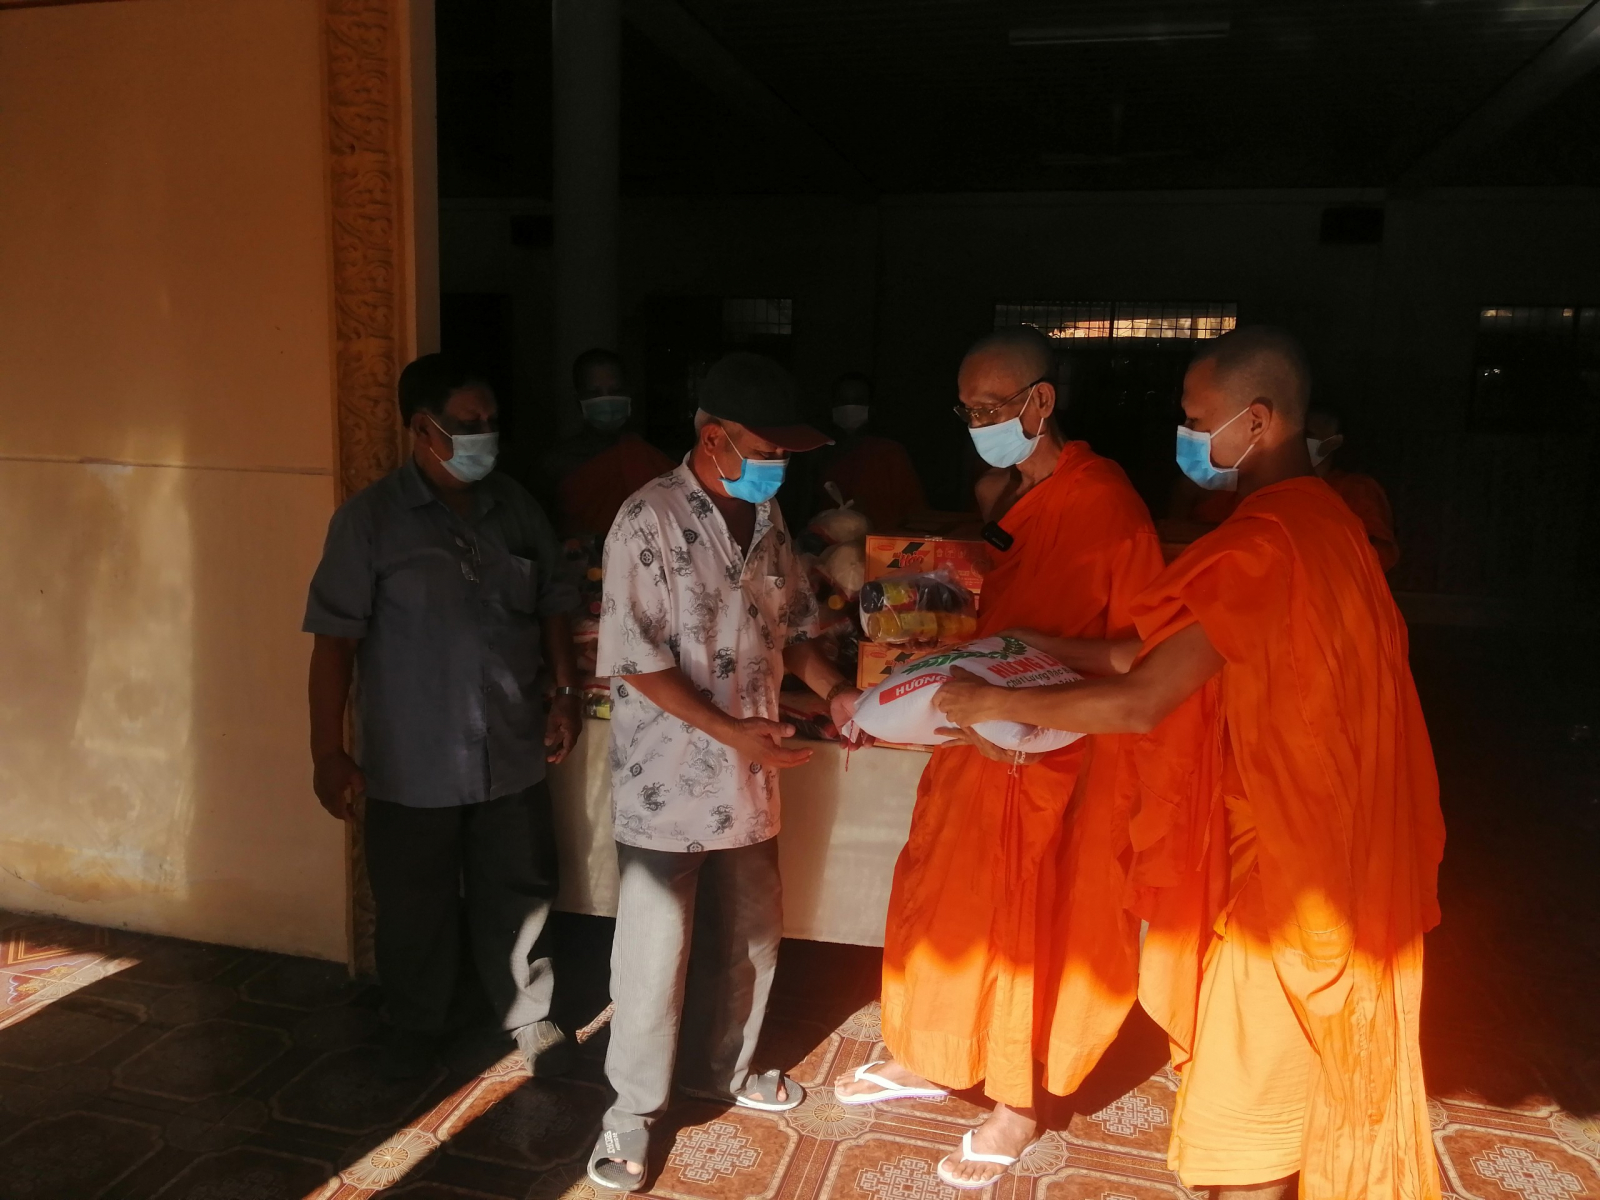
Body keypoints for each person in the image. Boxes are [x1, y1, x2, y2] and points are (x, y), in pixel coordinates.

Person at [935, 327, 1445, 1200]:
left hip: (1291, 875)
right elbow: (1159, 654)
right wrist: (1034, 648)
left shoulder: (1266, 542)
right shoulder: (1327, 527)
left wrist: (992, 701)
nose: (1187, 439)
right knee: (1292, 1085)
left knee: (1247, 1125)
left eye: (1195, 419)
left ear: (1258, 420)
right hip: (1347, 839)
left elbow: (1143, 700)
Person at [833, 326, 1165, 1189]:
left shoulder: (1106, 508)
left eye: (992, 407)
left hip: (1061, 760)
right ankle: (928, 1054)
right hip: (979, 741)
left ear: (1040, 402)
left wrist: (1026, 648)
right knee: (944, 897)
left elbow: (1143, 655)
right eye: (968, 408)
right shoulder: (1012, 493)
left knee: (1035, 928)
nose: (978, 421)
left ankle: (1018, 1103)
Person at [588, 352, 864, 1191]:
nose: (780, 465)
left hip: (750, 779)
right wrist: (726, 731)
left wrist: (837, 691)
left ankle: (728, 1071)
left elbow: (799, 631)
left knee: (749, 939)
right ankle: (630, 1119)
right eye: (767, 448)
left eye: (788, 452)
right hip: (668, 779)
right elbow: (635, 660)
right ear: (715, 439)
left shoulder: (770, 518)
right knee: (654, 956)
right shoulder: (646, 523)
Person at [303, 353, 583, 1080]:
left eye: (490, 422)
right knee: (412, 902)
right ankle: (416, 1020)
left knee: (519, 892)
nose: (484, 436)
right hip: (410, 758)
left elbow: (554, 599)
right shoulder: (368, 523)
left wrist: (563, 693)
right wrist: (326, 752)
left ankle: (529, 1015)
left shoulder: (514, 506)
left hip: (512, 746)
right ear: (422, 429)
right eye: (468, 425)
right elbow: (333, 642)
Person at [1168, 404, 1399, 572]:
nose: (1298, 443)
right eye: (1296, 434)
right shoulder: (1240, 483)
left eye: (1308, 436)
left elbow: (1374, 559)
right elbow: (1173, 538)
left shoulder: (1355, 490)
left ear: (1334, 442)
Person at [539, 348, 674, 537]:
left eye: (615, 391)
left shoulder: (647, 457)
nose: (606, 399)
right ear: (578, 398)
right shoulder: (556, 463)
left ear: (628, 393)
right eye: (595, 392)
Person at [810, 372, 928, 530]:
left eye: (858, 401)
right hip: (829, 547)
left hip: (883, 547)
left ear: (871, 407)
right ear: (832, 405)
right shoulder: (818, 453)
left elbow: (916, 511)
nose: (849, 407)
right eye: (843, 401)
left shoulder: (890, 453)